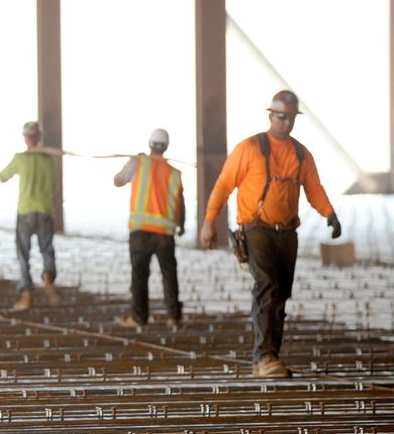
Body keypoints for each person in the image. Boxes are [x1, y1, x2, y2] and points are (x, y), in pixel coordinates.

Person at [199, 90, 342, 378]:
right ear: (270, 115)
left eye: (290, 118)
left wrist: (329, 213)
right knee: (266, 287)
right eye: (281, 117)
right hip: (257, 230)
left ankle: (270, 357)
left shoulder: (300, 154)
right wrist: (209, 221)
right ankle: (263, 357)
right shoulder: (249, 148)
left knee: (280, 295)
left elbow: (313, 188)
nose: (286, 123)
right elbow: (224, 185)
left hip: (287, 233)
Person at [113, 128, 184, 329]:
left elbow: (118, 181)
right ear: (166, 146)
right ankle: (174, 317)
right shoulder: (175, 173)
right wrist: (182, 226)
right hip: (165, 234)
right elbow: (180, 203)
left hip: (141, 232)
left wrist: (129, 163)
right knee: (169, 275)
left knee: (139, 275)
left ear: (150, 144)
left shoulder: (138, 163)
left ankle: (139, 318)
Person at [0, 121, 62, 311]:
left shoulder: (20, 159)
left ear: (25, 138)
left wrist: (0, 176)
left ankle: (26, 296)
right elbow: (53, 188)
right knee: (47, 250)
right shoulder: (49, 161)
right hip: (45, 211)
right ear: (39, 137)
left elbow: (4, 176)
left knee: (23, 254)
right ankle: (48, 279)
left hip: (25, 212)